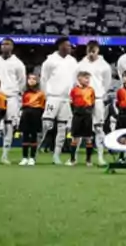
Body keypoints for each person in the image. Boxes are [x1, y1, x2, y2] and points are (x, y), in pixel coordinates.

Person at [40, 36, 79, 165]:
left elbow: (75, 80)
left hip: (66, 99)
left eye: (70, 45)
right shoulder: (50, 60)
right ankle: (34, 152)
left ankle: (56, 155)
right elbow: (44, 79)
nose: (69, 47)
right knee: (46, 126)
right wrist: (45, 96)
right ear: (60, 46)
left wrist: (73, 96)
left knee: (63, 128)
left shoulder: (73, 61)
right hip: (52, 97)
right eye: (67, 45)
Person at [0, 38, 26, 165]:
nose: (5, 46)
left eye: (7, 44)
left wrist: (16, 93)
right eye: (3, 44)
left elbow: (22, 81)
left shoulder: (18, 63)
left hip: (11, 98)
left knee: (8, 126)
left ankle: (5, 155)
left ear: (12, 47)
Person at [79, 40, 111, 166]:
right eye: (89, 51)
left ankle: (100, 157)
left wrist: (99, 93)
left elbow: (107, 84)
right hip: (82, 100)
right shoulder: (80, 64)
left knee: (98, 128)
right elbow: (75, 81)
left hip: (97, 99)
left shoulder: (104, 66)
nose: (91, 54)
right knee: (80, 129)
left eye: (93, 51)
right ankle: (74, 158)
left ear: (98, 50)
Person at [68, 71, 97, 167]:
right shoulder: (74, 90)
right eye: (86, 78)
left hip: (87, 115)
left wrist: (88, 111)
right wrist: (76, 111)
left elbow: (92, 103)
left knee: (88, 138)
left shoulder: (91, 90)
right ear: (79, 78)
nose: (87, 80)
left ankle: (88, 160)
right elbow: (71, 103)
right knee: (75, 137)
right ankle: (72, 159)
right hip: (77, 115)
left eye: (88, 78)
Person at [19, 73, 46, 166]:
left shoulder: (40, 93)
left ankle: (32, 158)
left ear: (37, 81)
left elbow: (42, 105)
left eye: (34, 79)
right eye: (29, 78)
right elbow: (22, 103)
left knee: (34, 136)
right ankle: (24, 157)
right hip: (26, 113)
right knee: (25, 136)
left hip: (36, 113)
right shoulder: (24, 92)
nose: (31, 80)